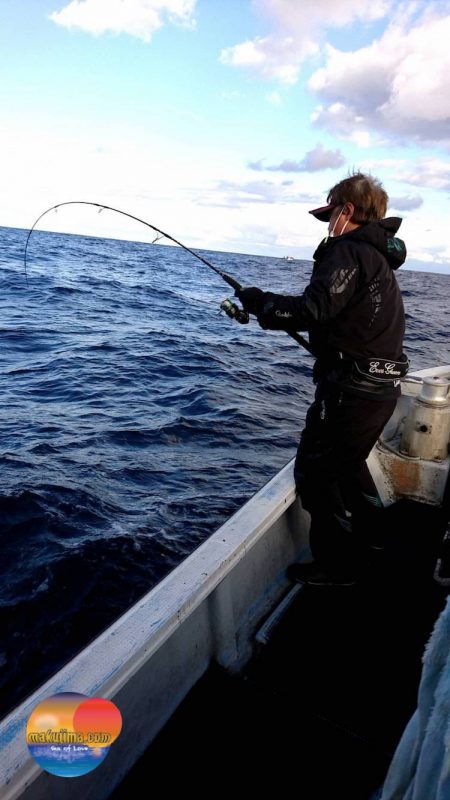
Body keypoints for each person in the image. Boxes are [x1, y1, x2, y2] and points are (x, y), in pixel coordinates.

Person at [236, 171, 408, 587]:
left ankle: (338, 566)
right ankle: (376, 540)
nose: (327, 223)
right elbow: (345, 321)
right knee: (349, 467)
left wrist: (260, 302)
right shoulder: (377, 258)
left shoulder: (348, 250)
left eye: (330, 214)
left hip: (352, 392)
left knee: (318, 474)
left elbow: (312, 310)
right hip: (379, 389)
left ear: (346, 211)